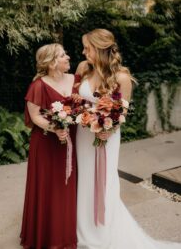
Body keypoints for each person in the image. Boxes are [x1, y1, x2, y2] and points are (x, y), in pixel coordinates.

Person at [75, 28, 181, 249]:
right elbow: (76, 98)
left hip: (107, 135)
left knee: (105, 180)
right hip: (83, 134)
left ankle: (104, 230)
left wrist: (107, 128)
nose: (84, 52)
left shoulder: (122, 77)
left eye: (88, 48)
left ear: (100, 48)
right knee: (85, 178)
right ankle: (83, 228)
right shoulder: (84, 68)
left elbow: (121, 112)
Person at [20, 43, 79, 249]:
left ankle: (65, 234)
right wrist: (55, 128)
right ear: (53, 62)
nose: (68, 57)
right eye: (64, 55)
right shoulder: (38, 86)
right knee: (48, 186)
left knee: (67, 187)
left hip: (72, 140)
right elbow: (35, 116)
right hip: (46, 143)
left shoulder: (75, 80)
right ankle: (46, 236)